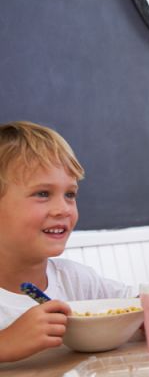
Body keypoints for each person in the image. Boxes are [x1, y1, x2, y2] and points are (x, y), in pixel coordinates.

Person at [0, 121, 133, 363]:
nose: (63, 209)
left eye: (70, 195)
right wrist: (5, 343)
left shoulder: (77, 281)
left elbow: (138, 306)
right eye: (43, 194)